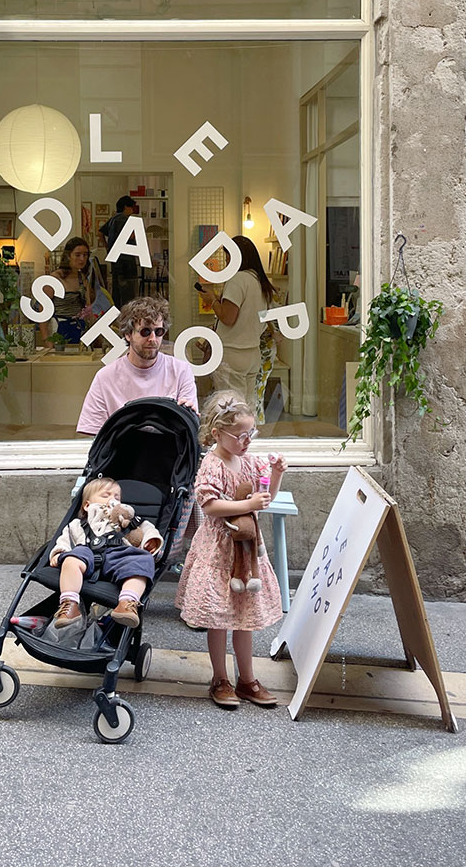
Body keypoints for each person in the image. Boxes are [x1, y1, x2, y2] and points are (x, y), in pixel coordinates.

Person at [175, 391, 287, 708]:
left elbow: (265, 498)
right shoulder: (212, 464)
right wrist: (248, 505)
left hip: (245, 553)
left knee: (243, 617)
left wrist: (276, 474)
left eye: (251, 433)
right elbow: (210, 505)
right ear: (217, 434)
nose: (247, 441)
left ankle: (247, 679)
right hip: (218, 551)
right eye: (240, 436)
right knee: (219, 618)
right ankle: (220, 678)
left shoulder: (248, 461)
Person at [49, 477, 164, 629]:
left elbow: (147, 528)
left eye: (117, 497)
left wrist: (151, 541)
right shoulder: (77, 524)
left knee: (143, 560)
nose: (112, 499)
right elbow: (65, 540)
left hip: (120, 556)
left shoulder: (129, 518)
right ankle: (69, 604)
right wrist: (59, 553)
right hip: (87, 554)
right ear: (87, 505)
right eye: (105, 495)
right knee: (71, 558)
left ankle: (127, 603)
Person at [76, 296, 198, 435]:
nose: (153, 339)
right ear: (128, 334)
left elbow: (189, 430)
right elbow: (93, 433)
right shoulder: (105, 377)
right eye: (145, 332)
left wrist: (189, 416)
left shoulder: (181, 371)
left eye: (159, 332)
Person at [199, 235, 277, 410]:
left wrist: (212, 300)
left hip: (232, 353)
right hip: (252, 352)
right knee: (248, 407)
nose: (227, 264)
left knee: (231, 410)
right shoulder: (259, 281)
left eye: (228, 258)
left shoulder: (238, 279)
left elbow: (228, 318)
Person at [39, 236, 92, 346]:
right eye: (77, 255)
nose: (82, 259)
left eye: (85, 255)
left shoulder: (82, 278)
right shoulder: (54, 278)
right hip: (60, 329)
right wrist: (47, 339)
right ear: (68, 256)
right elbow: (43, 312)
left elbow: (88, 306)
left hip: (80, 329)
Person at [99, 195, 141, 307]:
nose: (132, 210)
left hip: (116, 259)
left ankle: (118, 311)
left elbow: (100, 232)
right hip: (125, 260)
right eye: (131, 207)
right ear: (126, 207)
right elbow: (131, 235)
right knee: (128, 291)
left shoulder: (113, 219)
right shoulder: (123, 219)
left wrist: (107, 247)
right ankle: (126, 311)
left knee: (117, 289)